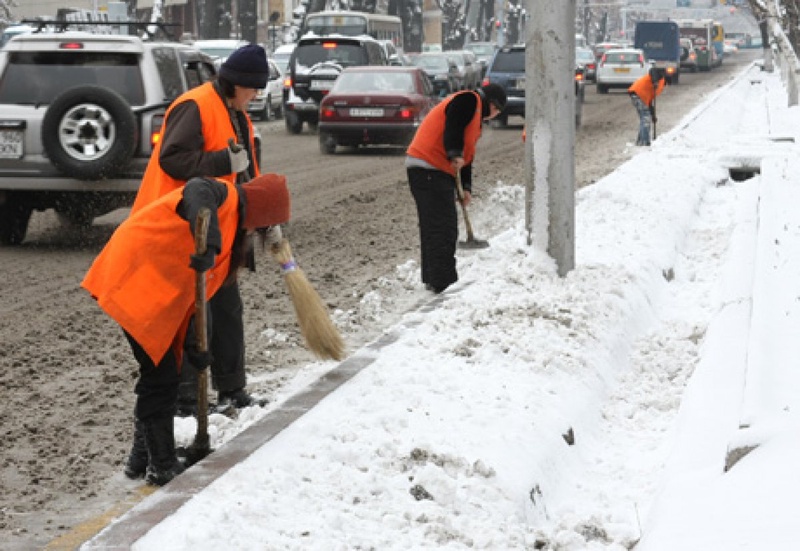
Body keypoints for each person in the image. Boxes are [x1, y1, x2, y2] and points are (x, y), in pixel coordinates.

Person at [82, 174, 291, 485]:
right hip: (135, 274)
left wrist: (194, 346)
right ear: (260, 209)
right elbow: (196, 189)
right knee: (161, 376)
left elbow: (193, 293)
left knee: (163, 372)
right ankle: (161, 464)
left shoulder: (233, 231)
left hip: (152, 284)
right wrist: (210, 240)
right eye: (263, 226)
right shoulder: (223, 196)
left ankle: (142, 458)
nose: (258, 234)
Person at [130, 43, 269, 415]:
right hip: (182, 228)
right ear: (237, 83)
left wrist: (259, 210)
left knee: (227, 309)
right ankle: (187, 400)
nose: (256, 96)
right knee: (192, 318)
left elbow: (245, 170)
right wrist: (222, 159)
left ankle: (232, 389)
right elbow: (172, 159)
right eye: (254, 88)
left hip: (220, 226)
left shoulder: (235, 110)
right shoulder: (196, 105)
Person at [405, 83, 507, 294]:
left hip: (427, 168)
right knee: (443, 226)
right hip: (430, 167)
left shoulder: (475, 118)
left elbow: (467, 158)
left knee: (433, 225)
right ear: (492, 104)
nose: (494, 116)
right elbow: (453, 124)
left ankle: (433, 278)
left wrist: (466, 188)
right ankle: (443, 281)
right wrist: (454, 153)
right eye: (497, 111)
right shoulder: (469, 100)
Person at [629, 67, 666, 146]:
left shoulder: (655, 87)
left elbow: (649, 103)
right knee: (645, 118)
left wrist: (653, 116)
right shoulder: (659, 78)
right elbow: (653, 70)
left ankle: (640, 141)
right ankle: (645, 142)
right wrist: (655, 81)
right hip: (638, 94)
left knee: (645, 117)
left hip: (636, 94)